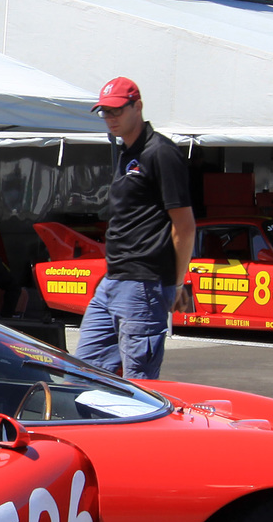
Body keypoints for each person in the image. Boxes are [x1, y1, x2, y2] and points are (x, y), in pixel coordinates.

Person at [76, 77, 195, 380]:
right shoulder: (127, 153)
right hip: (114, 280)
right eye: (104, 112)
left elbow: (184, 225)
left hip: (144, 283)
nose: (110, 119)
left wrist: (177, 283)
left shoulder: (160, 153)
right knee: (81, 374)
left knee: (138, 385)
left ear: (137, 106)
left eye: (116, 111)